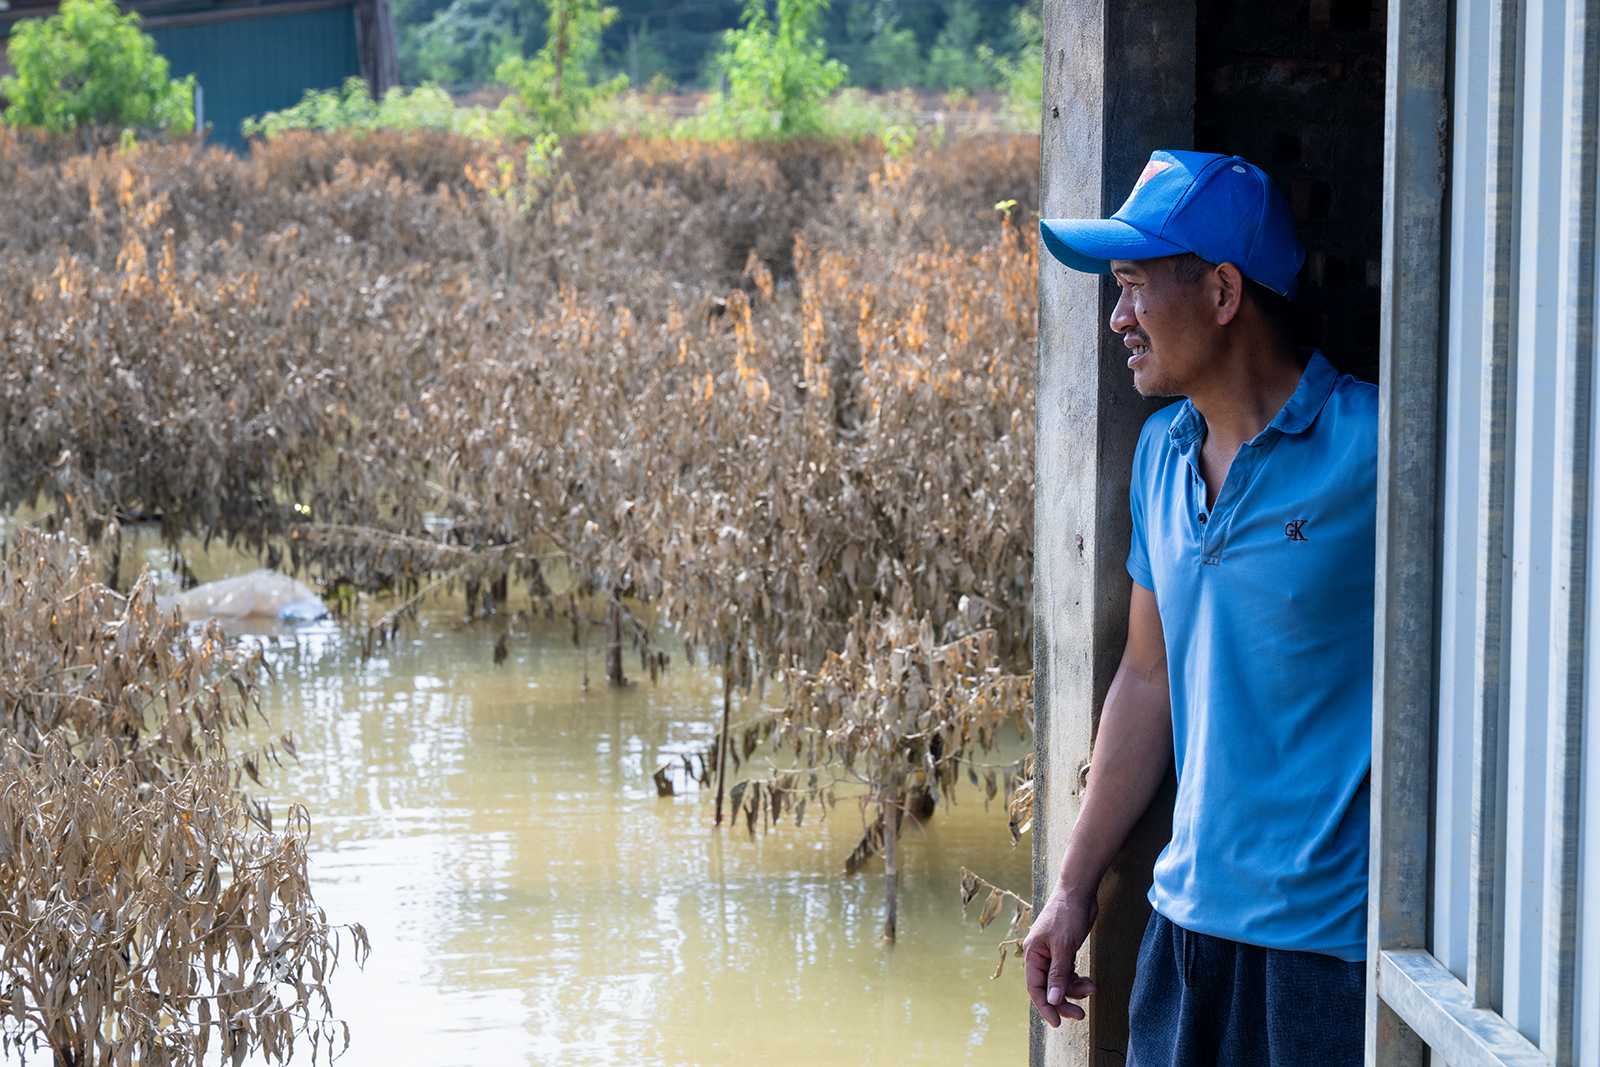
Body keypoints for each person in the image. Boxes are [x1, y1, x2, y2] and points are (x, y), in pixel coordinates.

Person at [1022, 150, 1376, 1066]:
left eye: (1135, 284)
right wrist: (1072, 887)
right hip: (1181, 935)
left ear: (1224, 292)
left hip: (1330, 954)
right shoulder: (1159, 458)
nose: (1118, 316)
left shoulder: (1377, 451)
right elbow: (1147, 679)